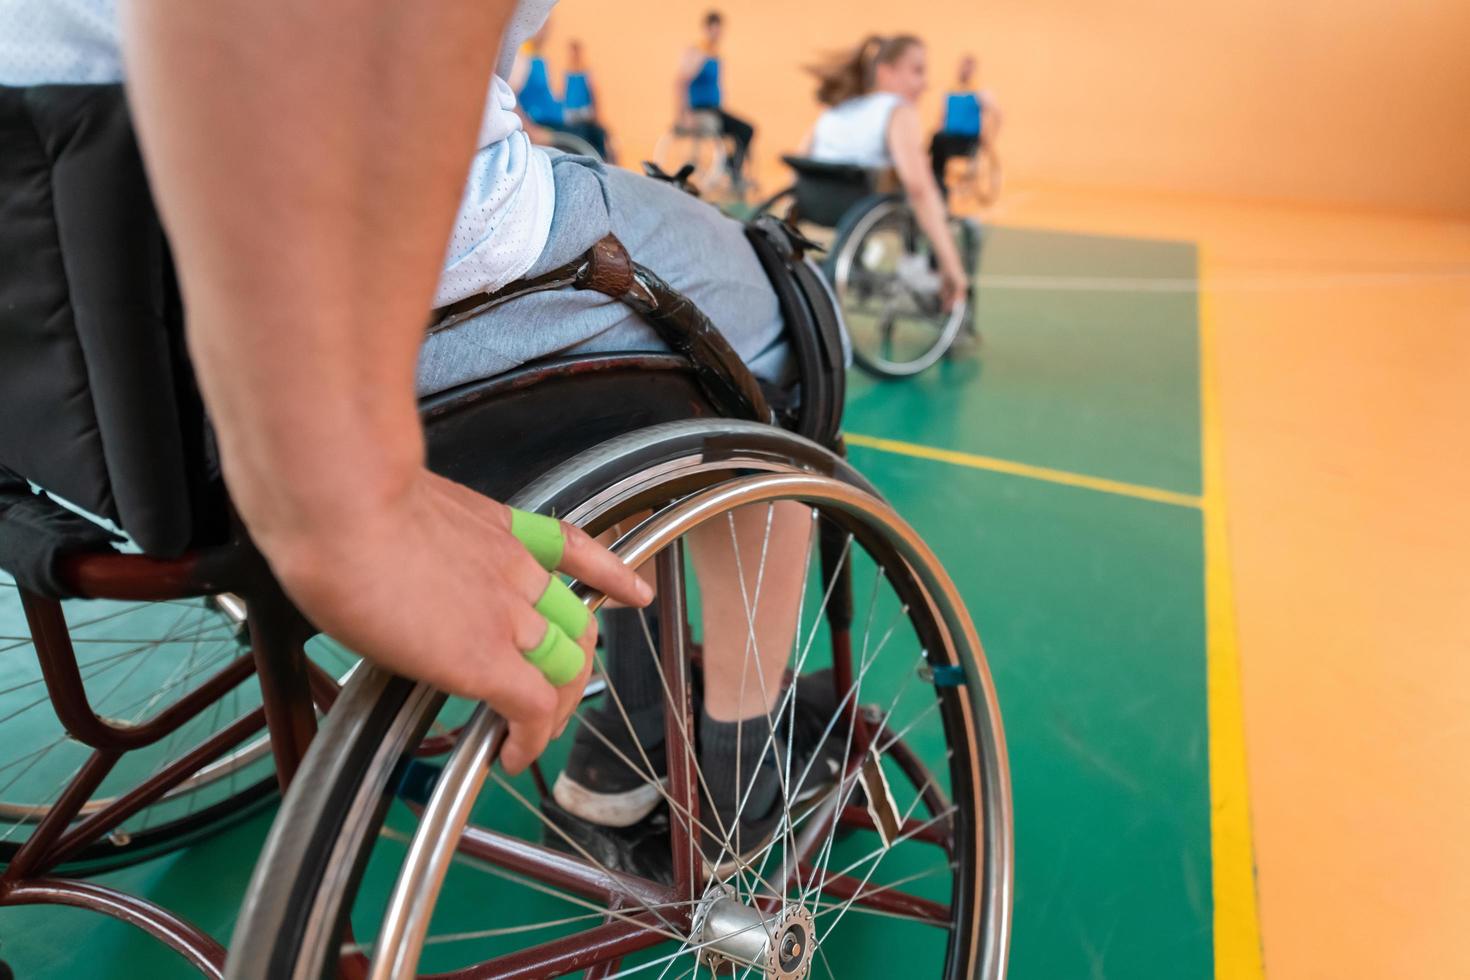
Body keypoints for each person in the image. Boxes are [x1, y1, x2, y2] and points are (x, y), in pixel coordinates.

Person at [0, 0, 824, 864]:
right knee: (783, 342)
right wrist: (346, 497)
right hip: (347, 257)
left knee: (636, 375)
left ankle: (630, 729)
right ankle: (741, 765)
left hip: (99, 368)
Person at [806, 34, 970, 311]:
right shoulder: (897, 110)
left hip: (815, 203)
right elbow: (919, 187)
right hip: (859, 211)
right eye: (917, 71)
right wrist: (951, 264)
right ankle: (917, 265)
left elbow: (804, 158)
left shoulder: (836, 107)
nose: (925, 83)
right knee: (932, 192)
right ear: (886, 71)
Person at [509, 19, 613, 161]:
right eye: (543, 26)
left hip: (559, 124)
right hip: (543, 127)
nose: (546, 32)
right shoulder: (520, 59)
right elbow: (510, 98)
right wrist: (533, 132)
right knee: (588, 137)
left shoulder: (538, 59)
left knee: (597, 132)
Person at [676, 9, 754, 188]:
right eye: (714, 29)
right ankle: (731, 168)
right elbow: (681, 82)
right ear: (706, 29)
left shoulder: (715, 55)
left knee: (746, 130)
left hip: (715, 109)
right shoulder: (697, 53)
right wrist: (684, 114)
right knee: (742, 130)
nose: (717, 34)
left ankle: (732, 167)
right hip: (701, 111)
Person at [929, 53, 1001, 199]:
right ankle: (938, 185)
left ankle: (940, 186)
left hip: (968, 141)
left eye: (969, 68)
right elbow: (941, 119)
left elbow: (997, 115)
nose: (965, 71)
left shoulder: (980, 93)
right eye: (963, 67)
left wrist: (989, 138)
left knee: (939, 140)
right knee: (936, 141)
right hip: (947, 139)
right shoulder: (949, 92)